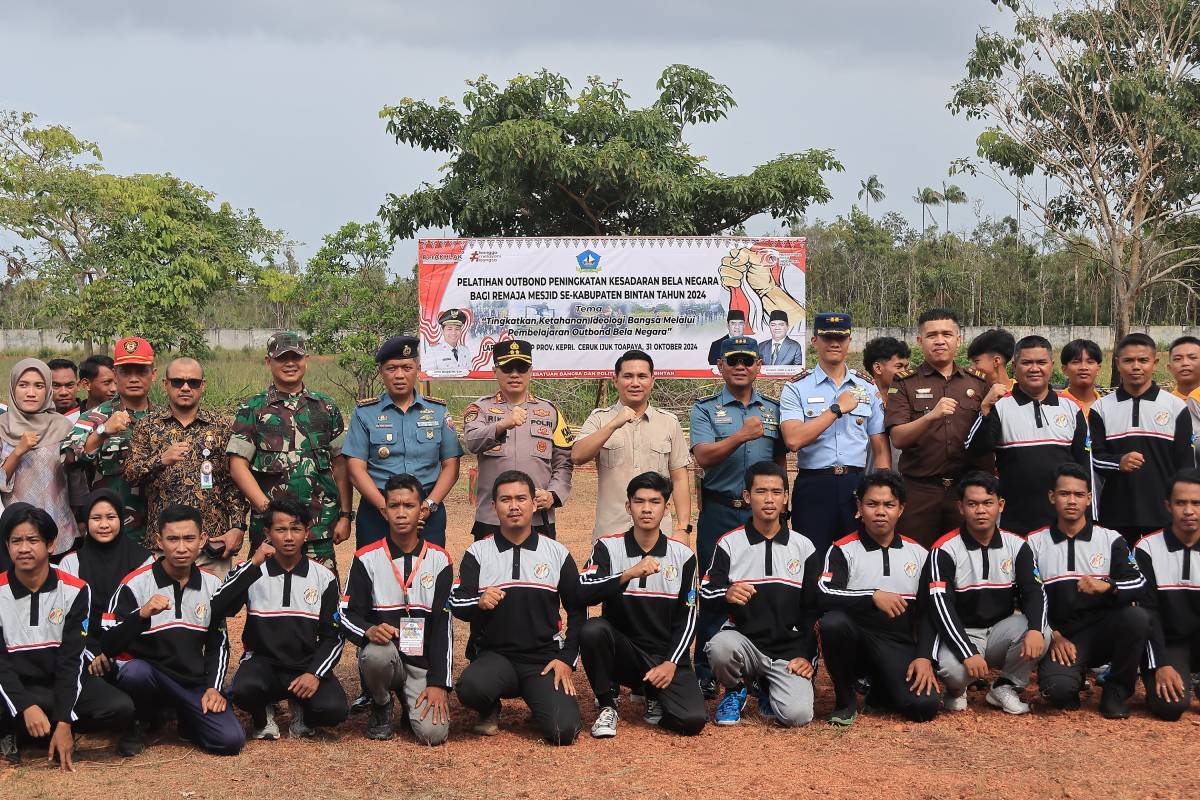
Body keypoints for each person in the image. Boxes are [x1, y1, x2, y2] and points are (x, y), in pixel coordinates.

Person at [450, 470, 584, 745]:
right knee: (471, 688)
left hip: (543, 661)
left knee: (564, 732)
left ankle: (541, 702)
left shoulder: (556, 552)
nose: (514, 506)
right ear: (492, 506)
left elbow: (577, 610)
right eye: (505, 500)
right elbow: (458, 604)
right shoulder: (478, 553)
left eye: (521, 498)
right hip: (495, 656)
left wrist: (567, 658)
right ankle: (490, 707)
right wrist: (479, 602)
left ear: (534, 504)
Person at [102, 504, 244, 756]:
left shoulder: (212, 584)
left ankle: (186, 717)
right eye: (173, 539)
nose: (181, 548)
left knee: (230, 740)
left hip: (191, 683)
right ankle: (139, 721)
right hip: (150, 677)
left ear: (201, 540)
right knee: (135, 672)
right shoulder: (136, 583)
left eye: (189, 538)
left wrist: (213, 687)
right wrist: (141, 615)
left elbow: (218, 643)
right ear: (159, 541)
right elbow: (108, 643)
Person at [0, 504, 134, 768]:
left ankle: (46, 728)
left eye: (33, 540)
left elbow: (70, 660)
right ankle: (14, 728)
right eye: (16, 541)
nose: (24, 548)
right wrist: (26, 705)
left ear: (50, 545)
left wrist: (64, 721)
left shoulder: (75, 590)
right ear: (7, 545)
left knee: (120, 707)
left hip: (55, 683)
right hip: (15, 686)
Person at [689, 335, 785, 697]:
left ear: (759, 365)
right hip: (721, 511)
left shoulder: (774, 410)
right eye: (734, 360)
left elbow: (777, 463)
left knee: (766, 586)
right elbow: (703, 456)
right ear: (721, 366)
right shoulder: (705, 409)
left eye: (748, 360)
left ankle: (762, 668)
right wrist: (741, 436)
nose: (741, 366)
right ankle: (707, 670)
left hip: (764, 514)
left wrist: (782, 503)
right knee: (716, 588)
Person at [577, 472, 704, 738]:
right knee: (592, 630)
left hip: (664, 656)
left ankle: (653, 692)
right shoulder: (607, 548)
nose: (647, 509)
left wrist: (671, 662)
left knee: (691, 721)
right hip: (624, 654)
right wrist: (628, 573)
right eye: (639, 501)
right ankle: (607, 705)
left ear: (666, 508)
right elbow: (583, 592)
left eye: (655, 502)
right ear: (628, 506)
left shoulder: (682, 556)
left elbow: (689, 617)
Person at [699, 461, 822, 728]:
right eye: (761, 491)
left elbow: (814, 609)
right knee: (720, 647)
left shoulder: (804, 546)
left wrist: (805, 654)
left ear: (786, 497)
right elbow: (706, 591)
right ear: (746, 497)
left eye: (777, 492)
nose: (769, 499)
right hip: (745, 643)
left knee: (797, 716)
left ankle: (767, 687)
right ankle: (735, 689)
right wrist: (727, 593)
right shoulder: (730, 543)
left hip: (787, 650)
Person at [213, 496, 347, 740]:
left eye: (295, 529)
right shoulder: (253, 570)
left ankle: (303, 713)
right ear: (268, 533)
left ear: (306, 532)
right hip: (263, 662)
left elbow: (333, 636)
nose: (288, 537)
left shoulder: (323, 577)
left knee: (334, 710)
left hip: (304, 663)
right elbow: (219, 607)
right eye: (280, 529)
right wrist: (251, 566)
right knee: (243, 691)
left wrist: (315, 673)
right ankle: (262, 718)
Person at [1025, 463, 1150, 718]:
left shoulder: (1109, 538)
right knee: (1058, 693)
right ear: (1052, 497)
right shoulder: (1034, 542)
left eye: (1079, 495)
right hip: (1063, 636)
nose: (1072, 501)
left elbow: (1139, 584)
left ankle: (1115, 692)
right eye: (1064, 494)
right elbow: (1026, 596)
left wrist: (1109, 586)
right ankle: (1072, 679)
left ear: (1089, 498)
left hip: (1105, 629)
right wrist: (1053, 634)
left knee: (1137, 617)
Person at [817, 470, 940, 726]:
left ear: (901, 509)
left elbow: (930, 611)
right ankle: (845, 701)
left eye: (889, 505)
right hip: (856, 638)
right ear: (860, 508)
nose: (880, 511)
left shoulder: (918, 553)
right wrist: (872, 596)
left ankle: (881, 689)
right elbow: (824, 594)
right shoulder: (842, 549)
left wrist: (924, 656)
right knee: (833, 623)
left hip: (898, 641)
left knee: (923, 707)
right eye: (872, 504)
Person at [340, 474, 453, 744]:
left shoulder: (440, 559)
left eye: (409, 505)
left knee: (433, 735)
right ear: (385, 510)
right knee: (376, 655)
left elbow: (443, 626)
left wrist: (438, 683)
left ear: (421, 510)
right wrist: (369, 630)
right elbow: (345, 614)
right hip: (387, 655)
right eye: (394, 506)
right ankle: (381, 703)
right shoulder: (366, 557)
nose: (401, 513)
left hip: (421, 662)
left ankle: (410, 699)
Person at [227, 332, 352, 573]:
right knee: (267, 598)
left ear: (306, 359)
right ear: (268, 362)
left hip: (318, 528)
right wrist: (267, 509)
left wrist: (345, 515)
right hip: (271, 530)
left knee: (321, 598)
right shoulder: (253, 409)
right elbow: (237, 464)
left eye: (296, 357)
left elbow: (340, 465)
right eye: (282, 358)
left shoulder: (325, 407)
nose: (290, 364)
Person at [925, 472, 1049, 715]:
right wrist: (967, 652)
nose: (980, 510)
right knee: (954, 671)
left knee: (1042, 631)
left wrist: (1035, 629)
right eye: (972, 504)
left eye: (987, 503)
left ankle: (1005, 686)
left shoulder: (1017, 545)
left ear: (1000, 505)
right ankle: (956, 690)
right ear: (960, 507)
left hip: (1002, 629)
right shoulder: (944, 549)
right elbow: (940, 606)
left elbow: (1035, 592)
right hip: (964, 631)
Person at [125, 358, 248, 579]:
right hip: (164, 544)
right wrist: (160, 460)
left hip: (212, 543)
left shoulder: (221, 427)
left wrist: (238, 526)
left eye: (192, 382)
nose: (185, 388)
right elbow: (131, 475)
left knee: (213, 609)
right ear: (164, 384)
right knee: (165, 610)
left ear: (203, 385)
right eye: (177, 382)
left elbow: (233, 484)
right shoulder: (147, 426)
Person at [781, 312, 888, 558]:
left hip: (856, 485)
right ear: (814, 340)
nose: (834, 343)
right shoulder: (796, 387)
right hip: (814, 485)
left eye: (840, 338)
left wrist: (880, 491)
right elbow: (793, 440)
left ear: (850, 341)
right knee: (812, 558)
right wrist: (836, 409)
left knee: (858, 556)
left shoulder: (867, 388)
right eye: (827, 337)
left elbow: (880, 449)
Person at [885, 308, 990, 547]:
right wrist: (930, 417)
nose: (940, 340)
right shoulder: (904, 383)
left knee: (964, 559)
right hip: (920, 491)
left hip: (965, 491)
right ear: (920, 341)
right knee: (916, 559)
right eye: (932, 335)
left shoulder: (978, 382)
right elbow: (898, 438)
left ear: (958, 339)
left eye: (947, 334)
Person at [344, 335, 461, 549]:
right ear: (381, 371)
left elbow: (451, 466)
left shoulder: (437, 411)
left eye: (407, 368)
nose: (399, 375)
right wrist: (385, 508)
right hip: (376, 510)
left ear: (418, 368)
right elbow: (355, 469)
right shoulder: (365, 413)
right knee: (374, 576)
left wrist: (428, 505)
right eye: (391, 368)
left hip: (428, 511)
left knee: (428, 574)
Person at [965, 335, 1090, 534]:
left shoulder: (1071, 407)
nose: (1034, 369)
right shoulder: (1000, 406)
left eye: (1041, 362)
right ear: (1015, 365)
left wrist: (1087, 516)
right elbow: (974, 450)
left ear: (1052, 365)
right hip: (1014, 521)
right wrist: (985, 410)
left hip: (1063, 522)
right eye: (1026, 363)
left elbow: (1085, 465)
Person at [572, 350, 691, 540]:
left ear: (652, 380)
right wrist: (613, 424)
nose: (635, 383)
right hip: (611, 532)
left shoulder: (669, 422)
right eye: (628, 376)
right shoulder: (600, 419)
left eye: (642, 376)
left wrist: (684, 527)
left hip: (659, 533)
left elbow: (679, 478)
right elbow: (577, 456)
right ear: (615, 380)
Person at [1089, 333, 1194, 545]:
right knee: (1120, 576)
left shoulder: (1176, 407)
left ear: (1154, 363)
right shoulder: (1101, 408)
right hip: (1115, 515)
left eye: (1143, 360)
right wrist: (1119, 462)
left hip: (1162, 515)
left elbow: (1185, 467)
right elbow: (1093, 460)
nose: (1136, 366)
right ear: (1118, 364)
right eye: (1128, 360)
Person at [463, 340, 573, 541]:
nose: (514, 374)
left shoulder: (550, 411)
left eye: (521, 368)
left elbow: (564, 462)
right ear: (495, 370)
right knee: (490, 572)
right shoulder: (480, 409)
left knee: (540, 571)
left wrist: (553, 495)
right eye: (507, 368)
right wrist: (501, 425)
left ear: (530, 371)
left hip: (538, 518)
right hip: (492, 517)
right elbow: (471, 441)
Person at [66, 337, 158, 546]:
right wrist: (103, 432)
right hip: (112, 532)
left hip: (159, 533)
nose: (134, 378)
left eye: (141, 371)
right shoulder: (95, 417)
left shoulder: (165, 418)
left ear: (153, 374)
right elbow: (68, 457)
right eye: (126, 372)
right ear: (115, 375)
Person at [58, 490, 153, 679]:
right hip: (84, 652)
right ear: (86, 521)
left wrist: (115, 649)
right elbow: (68, 619)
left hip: (134, 653)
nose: (104, 525)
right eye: (96, 518)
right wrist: (93, 652)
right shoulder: (71, 563)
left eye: (111, 517)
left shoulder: (144, 560)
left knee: (138, 675)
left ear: (120, 518)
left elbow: (148, 614)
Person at [1136, 469, 1200, 721]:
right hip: (1169, 644)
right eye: (1181, 502)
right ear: (1168, 506)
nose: (1189, 510)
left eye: (1196, 503)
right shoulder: (1148, 548)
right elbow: (1148, 613)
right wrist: (1161, 664)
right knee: (1170, 707)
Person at [0, 359, 77, 552]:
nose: (31, 393)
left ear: (47, 390)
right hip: (16, 531)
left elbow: (76, 478)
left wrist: (81, 518)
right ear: (12, 387)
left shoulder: (62, 426)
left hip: (60, 524)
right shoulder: (2, 427)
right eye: (23, 385)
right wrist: (18, 451)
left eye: (39, 386)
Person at [863, 336, 911, 473]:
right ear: (878, 368)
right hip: (867, 482)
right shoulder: (859, 403)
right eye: (899, 366)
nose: (905, 372)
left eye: (907, 366)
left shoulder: (910, 401)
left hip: (904, 483)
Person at [1060, 339, 1103, 417]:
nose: (1083, 367)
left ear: (1098, 368)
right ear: (1064, 369)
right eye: (1076, 362)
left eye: (1090, 362)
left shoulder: (1107, 406)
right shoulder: (1056, 406)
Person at [425, 308, 473, 375]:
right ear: (442, 331)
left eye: (457, 329)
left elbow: (469, 374)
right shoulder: (433, 351)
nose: (453, 333)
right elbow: (429, 375)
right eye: (449, 329)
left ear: (461, 331)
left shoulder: (465, 350)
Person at [1167, 335, 1200, 400]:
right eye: (1178, 359)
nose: (1185, 363)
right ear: (1169, 368)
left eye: (1192, 357)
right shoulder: (1167, 404)